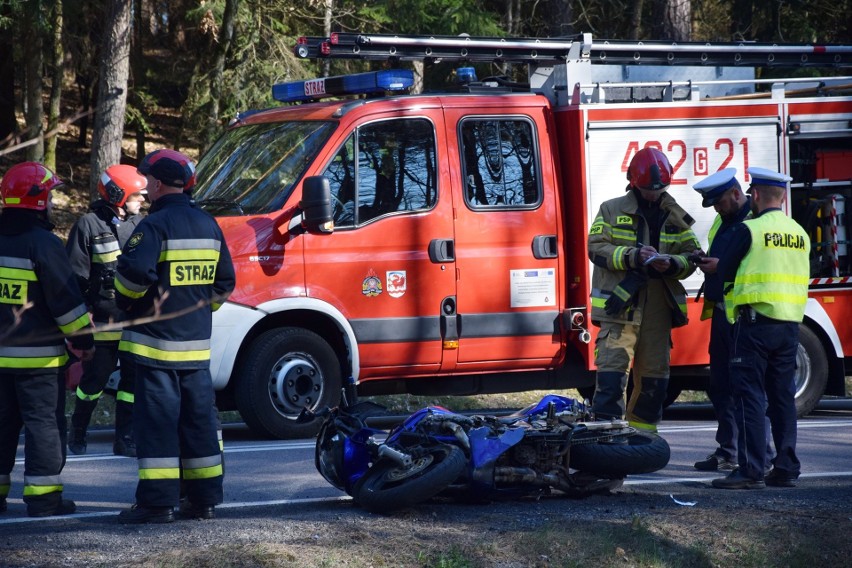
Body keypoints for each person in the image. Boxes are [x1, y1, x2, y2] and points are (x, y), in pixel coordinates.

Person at [113, 149, 235, 524]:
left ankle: (157, 504)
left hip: (155, 349)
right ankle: (203, 502)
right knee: (199, 425)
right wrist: (197, 310)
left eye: (149, 180)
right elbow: (224, 284)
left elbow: (132, 278)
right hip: (195, 350)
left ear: (159, 184)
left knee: (159, 426)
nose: (145, 186)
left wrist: (129, 305)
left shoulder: (154, 226)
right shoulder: (209, 225)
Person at [0, 162, 95, 517]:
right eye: (51, 194)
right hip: (38, 362)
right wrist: (84, 344)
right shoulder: (43, 245)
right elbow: (67, 304)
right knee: (43, 427)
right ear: (38, 200)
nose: (54, 201)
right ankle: (44, 499)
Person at [587, 148, 700, 431]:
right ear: (633, 181)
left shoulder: (675, 215)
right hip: (620, 306)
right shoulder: (611, 209)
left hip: (658, 307)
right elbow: (596, 248)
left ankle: (643, 442)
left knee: (655, 381)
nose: (654, 193)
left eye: (660, 188)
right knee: (611, 378)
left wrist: (672, 264)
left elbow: (693, 255)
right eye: (649, 189)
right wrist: (631, 256)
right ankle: (606, 441)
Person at [711, 167, 810, 490]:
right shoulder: (799, 233)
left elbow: (723, 272)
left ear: (754, 196)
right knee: (782, 397)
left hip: (754, 326)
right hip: (790, 326)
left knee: (749, 395)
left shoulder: (750, 230)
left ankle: (752, 468)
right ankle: (786, 467)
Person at [691, 168, 774, 473]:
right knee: (721, 385)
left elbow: (758, 271)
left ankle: (759, 454)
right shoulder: (722, 221)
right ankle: (728, 451)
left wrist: (721, 267)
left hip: (745, 316)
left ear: (737, 195)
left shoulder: (755, 222)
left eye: (720, 202)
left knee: (748, 387)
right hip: (724, 313)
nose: (716, 208)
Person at [66, 165, 147, 457]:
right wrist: (81, 321)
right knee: (94, 380)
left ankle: (125, 438)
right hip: (102, 319)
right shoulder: (88, 224)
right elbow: (75, 278)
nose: (142, 201)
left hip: (134, 319)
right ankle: (78, 429)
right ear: (117, 194)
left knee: (132, 382)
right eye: (138, 195)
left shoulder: (140, 225)